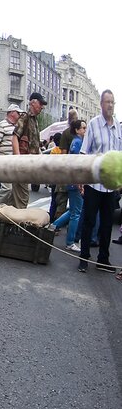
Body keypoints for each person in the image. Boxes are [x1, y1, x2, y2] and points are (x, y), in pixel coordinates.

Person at [77, 90, 121, 273]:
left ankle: (103, 260)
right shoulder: (93, 125)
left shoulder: (118, 126)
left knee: (106, 224)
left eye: (112, 102)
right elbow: (83, 153)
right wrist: (81, 179)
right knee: (88, 222)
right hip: (94, 184)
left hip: (111, 187)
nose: (110, 105)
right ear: (101, 104)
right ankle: (83, 258)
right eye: (107, 102)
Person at [52, 119, 86, 251]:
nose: (85, 130)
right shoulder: (78, 142)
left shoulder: (75, 142)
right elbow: (76, 164)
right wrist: (79, 183)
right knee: (76, 212)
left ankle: (53, 226)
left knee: (73, 210)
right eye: (83, 128)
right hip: (75, 180)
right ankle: (70, 242)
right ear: (77, 130)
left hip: (71, 180)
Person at [0, 104, 23, 205]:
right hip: (4, 160)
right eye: (18, 113)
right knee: (7, 188)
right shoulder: (2, 125)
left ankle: (4, 213)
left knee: (13, 190)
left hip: (13, 161)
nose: (19, 115)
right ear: (12, 113)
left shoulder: (16, 127)